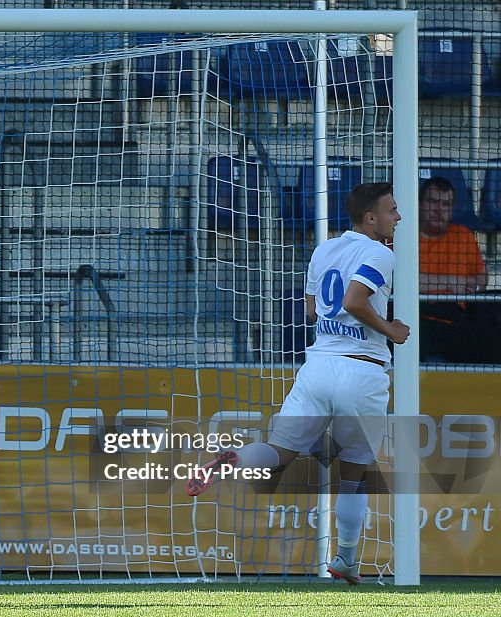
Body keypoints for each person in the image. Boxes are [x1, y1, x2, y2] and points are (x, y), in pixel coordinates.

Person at [185, 183, 410, 585]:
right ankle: (344, 559)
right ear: (370, 217)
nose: (398, 217)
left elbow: (311, 309)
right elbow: (354, 302)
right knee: (353, 476)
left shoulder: (324, 250)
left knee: (277, 452)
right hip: (361, 371)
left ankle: (237, 458)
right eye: (392, 211)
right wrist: (390, 330)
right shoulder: (380, 253)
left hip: (317, 367)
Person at [417, 176, 489, 362]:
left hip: (455, 316)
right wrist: (451, 282)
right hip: (415, 312)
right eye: (432, 202)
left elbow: (482, 278)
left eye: (446, 204)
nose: (439, 210)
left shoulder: (463, 235)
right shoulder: (402, 235)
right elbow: (398, 281)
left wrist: (473, 286)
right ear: (419, 203)